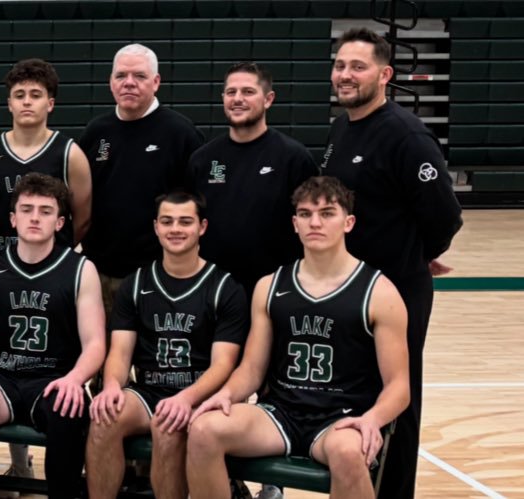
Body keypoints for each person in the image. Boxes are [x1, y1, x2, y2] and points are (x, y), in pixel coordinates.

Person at [186, 177, 411, 499]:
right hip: (280, 415)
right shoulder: (270, 285)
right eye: (305, 214)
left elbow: (399, 386)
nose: (315, 222)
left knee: (349, 452)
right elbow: (251, 369)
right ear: (294, 223)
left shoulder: (379, 293)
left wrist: (373, 419)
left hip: (341, 419)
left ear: (348, 222)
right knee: (204, 430)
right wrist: (228, 394)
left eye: (327, 213)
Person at [320, 28, 464, 499]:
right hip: (348, 291)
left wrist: (418, 256)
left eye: (357, 67)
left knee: (397, 402)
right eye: (341, 65)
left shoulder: (407, 136)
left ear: (385, 75)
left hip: (396, 293)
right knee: (356, 399)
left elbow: (445, 214)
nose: (345, 75)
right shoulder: (343, 127)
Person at [0, 172, 106, 499]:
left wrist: (76, 379)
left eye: (45, 211)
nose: (35, 218)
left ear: (59, 223)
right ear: (13, 219)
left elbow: (95, 344)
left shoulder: (79, 269)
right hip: (0, 379)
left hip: (54, 380)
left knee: (68, 409)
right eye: (27, 209)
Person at [85, 191, 249, 499]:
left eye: (185, 222)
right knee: (104, 418)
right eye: (167, 221)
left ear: (202, 227)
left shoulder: (225, 288)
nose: (175, 229)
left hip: (200, 396)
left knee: (168, 426)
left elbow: (224, 365)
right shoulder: (136, 284)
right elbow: (119, 352)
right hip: (148, 392)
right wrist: (110, 386)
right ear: (156, 227)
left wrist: (185, 399)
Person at [79, 43, 205, 317]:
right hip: (99, 275)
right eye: (121, 76)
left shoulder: (181, 134)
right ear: (111, 82)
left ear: (156, 82)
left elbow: (199, 206)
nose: (129, 83)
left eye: (139, 76)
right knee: (102, 356)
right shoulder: (95, 132)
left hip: (158, 276)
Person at [189, 62, 319, 294]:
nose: (238, 99)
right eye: (231, 92)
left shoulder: (294, 159)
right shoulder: (203, 159)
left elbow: (313, 227)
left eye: (248, 92)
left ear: (268, 99)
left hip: (277, 291)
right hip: (213, 292)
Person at [0, 58, 92, 252]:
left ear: (50, 103)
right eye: (19, 95)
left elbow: (82, 221)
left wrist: (53, 250)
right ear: (10, 104)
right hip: (4, 260)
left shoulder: (70, 155)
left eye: (35, 95)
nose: (27, 101)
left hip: (55, 263)